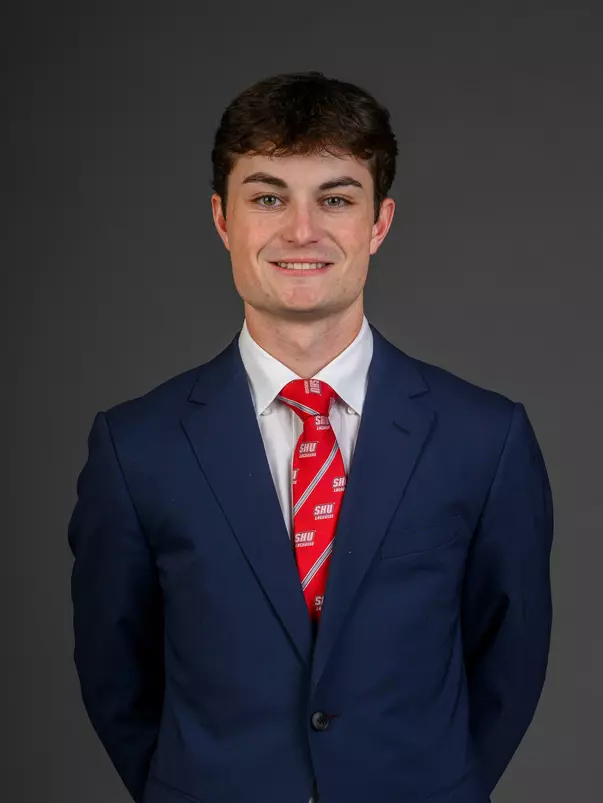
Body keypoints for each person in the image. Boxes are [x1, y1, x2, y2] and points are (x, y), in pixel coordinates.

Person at [68, 71, 554, 803]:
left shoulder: (484, 438)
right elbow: (115, 674)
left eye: (335, 198)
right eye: (268, 197)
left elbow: (509, 663)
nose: (302, 230)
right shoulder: (135, 447)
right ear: (222, 219)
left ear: (378, 224)